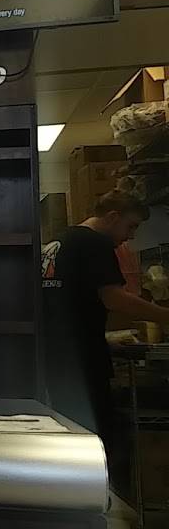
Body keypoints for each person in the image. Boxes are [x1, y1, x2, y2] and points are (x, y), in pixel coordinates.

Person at [43, 190, 169, 449]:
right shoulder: (96, 243)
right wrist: (165, 316)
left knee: (71, 435)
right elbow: (115, 299)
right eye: (131, 226)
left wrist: (103, 341)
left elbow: (66, 303)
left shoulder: (61, 241)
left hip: (57, 360)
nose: (131, 236)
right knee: (94, 440)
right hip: (81, 364)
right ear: (113, 217)